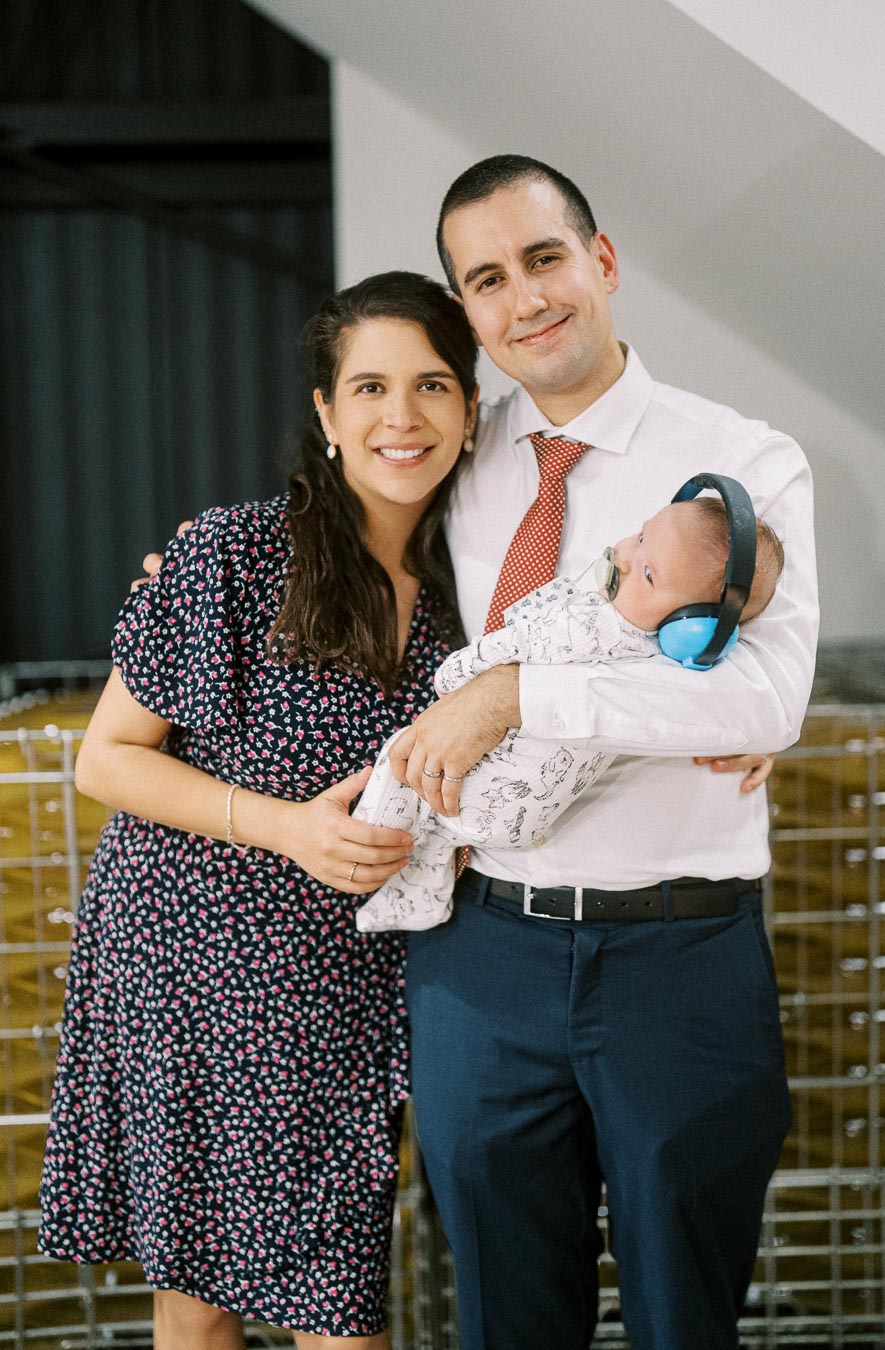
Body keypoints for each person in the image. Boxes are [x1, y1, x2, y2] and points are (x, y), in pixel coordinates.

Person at [383, 155, 818, 1350]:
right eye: (486, 280)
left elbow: (765, 701)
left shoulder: (743, 464)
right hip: (480, 959)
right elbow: (327, 549)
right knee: (507, 1322)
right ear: (467, 311)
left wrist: (522, 692)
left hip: (679, 958)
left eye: (544, 259)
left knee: (685, 1319)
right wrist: (188, 577)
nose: (523, 299)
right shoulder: (453, 459)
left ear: (602, 261)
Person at [37, 272, 479, 1350]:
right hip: (197, 956)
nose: (402, 416)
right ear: (326, 414)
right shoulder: (232, 553)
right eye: (369, 386)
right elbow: (106, 759)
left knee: (282, 1286)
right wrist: (285, 825)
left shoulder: (487, 578)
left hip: (357, 975)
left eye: (432, 384)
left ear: (472, 409)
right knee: (222, 1289)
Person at [354, 493, 784, 933]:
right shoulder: (663, 667)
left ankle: (368, 841)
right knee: (441, 833)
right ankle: (420, 899)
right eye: (640, 537)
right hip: (523, 821)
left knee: (402, 762)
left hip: (492, 800)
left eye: (650, 574)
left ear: (692, 627)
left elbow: (509, 645)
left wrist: (457, 678)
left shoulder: (592, 627)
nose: (624, 557)